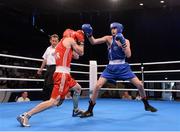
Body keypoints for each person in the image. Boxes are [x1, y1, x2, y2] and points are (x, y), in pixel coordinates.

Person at [80, 22, 157, 118]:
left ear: (119, 29)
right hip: (110, 68)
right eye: (111, 28)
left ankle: (146, 105)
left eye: (114, 28)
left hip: (123, 67)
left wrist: (123, 43)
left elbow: (128, 55)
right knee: (97, 86)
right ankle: (90, 110)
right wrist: (89, 34)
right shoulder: (108, 38)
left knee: (140, 85)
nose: (112, 30)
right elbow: (94, 42)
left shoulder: (126, 41)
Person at [17, 29, 85, 127]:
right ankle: (26, 115)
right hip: (62, 74)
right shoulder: (69, 40)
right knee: (53, 101)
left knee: (78, 88)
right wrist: (81, 41)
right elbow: (81, 52)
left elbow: (76, 56)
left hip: (65, 74)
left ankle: (75, 110)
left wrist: (74, 47)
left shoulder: (61, 44)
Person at [37, 34, 59, 101]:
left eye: (55, 41)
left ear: (58, 41)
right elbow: (45, 59)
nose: (54, 42)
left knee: (50, 84)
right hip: (48, 67)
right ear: (50, 41)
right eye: (53, 41)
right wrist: (41, 69)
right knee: (46, 83)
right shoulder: (48, 49)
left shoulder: (59, 49)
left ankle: (51, 100)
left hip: (55, 67)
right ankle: (45, 99)